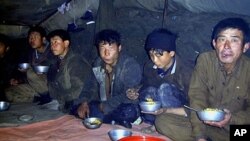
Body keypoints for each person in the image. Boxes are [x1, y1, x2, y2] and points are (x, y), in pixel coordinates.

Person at [154, 17, 250, 141]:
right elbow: (197, 98)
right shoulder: (205, 60)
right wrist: (200, 136)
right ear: (214, 44)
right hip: (205, 125)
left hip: (233, 129)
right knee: (163, 121)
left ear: (245, 46)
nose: (226, 46)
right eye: (222, 39)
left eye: (234, 40)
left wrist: (231, 118)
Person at [126, 28, 192, 133]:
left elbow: (194, 104)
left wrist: (169, 111)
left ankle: (165, 125)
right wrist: (135, 91)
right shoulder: (149, 66)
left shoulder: (186, 71)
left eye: (158, 55)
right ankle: (153, 122)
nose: (154, 60)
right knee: (149, 91)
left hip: (181, 114)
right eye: (151, 55)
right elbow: (145, 84)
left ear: (171, 53)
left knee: (164, 89)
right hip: (159, 111)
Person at [77, 29, 142, 128]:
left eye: (111, 48)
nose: (106, 53)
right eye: (102, 48)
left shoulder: (129, 65)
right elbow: (90, 86)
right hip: (103, 105)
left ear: (119, 48)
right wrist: (84, 102)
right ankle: (113, 120)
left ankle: (113, 119)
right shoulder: (97, 64)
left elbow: (128, 95)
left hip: (122, 105)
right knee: (82, 109)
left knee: (128, 111)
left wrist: (107, 105)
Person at [47, 29, 99, 114]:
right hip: (66, 99)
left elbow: (79, 90)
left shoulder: (76, 61)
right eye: (51, 43)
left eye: (56, 42)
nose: (52, 46)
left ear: (66, 43)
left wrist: (60, 99)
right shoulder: (57, 61)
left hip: (80, 101)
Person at [5, 26, 55, 103]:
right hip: (36, 86)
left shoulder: (53, 50)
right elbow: (30, 76)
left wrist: (41, 72)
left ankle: (48, 95)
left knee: (30, 72)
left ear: (43, 39)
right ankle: (38, 99)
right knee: (9, 92)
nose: (32, 39)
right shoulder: (31, 53)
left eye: (35, 36)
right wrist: (19, 80)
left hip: (49, 86)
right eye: (30, 37)